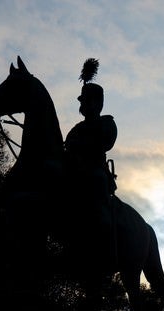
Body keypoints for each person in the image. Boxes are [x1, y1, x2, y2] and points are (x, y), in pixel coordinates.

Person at [64, 58, 118, 270]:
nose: (82, 105)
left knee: (95, 179)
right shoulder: (76, 128)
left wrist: (82, 144)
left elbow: (106, 142)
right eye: (81, 101)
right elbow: (67, 145)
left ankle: (104, 230)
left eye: (85, 101)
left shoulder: (107, 123)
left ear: (97, 103)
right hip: (73, 170)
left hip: (95, 170)